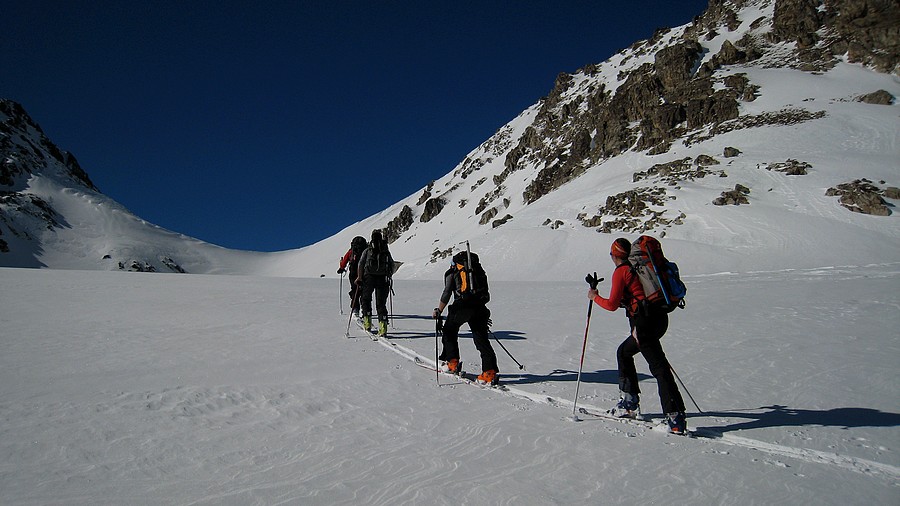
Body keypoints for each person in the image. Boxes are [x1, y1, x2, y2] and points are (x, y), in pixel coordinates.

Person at [587, 238, 687, 434]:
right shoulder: (635, 269)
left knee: (659, 368)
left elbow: (611, 305)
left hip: (644, 325)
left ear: (615, 256)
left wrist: (593, 296)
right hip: (659, 319)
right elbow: (634, 297)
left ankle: (674, 417)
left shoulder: (622, 271)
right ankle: (630, 402)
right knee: (625, 353)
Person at [432, 250, 498, 385]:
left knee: (449, 331)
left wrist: (439, 310)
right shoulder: (477, 271)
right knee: (481, 339)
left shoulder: (453, 272)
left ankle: (452, 363)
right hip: (479, 307)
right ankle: (489, 372)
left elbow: (447, 293)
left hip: (461, 306)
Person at [356, 230, 394, 336]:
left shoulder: (368, 250)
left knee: (366, 299)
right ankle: (383, 327)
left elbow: (361, 264)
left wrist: (359, 277)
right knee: (381, 303)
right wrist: (389, 275)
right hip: (383, 278)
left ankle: (367, 322)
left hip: (369, 277)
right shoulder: (385, 250)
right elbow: (392, 264)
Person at [338, 236, 367, 316]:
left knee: (354, 289)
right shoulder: (366, 251)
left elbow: (344, 261)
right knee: (364, 291)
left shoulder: (351, 251)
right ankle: (364, 308)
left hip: (353, 272)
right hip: (364, 273)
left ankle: (355, 308)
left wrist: (341, 268)